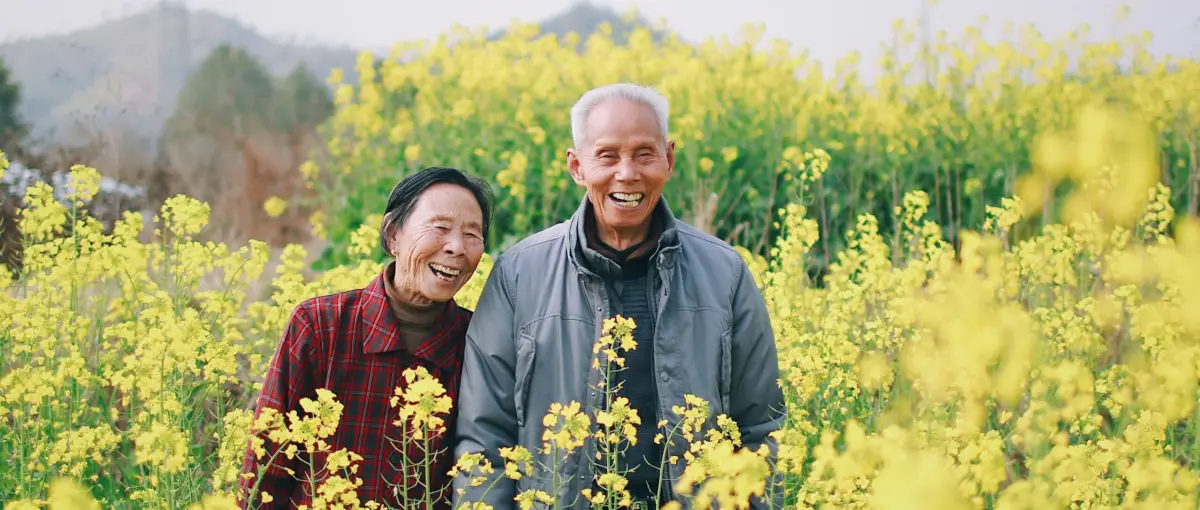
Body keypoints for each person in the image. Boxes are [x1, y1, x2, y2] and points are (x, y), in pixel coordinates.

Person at [452, 83, 785, 509]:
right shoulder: (519, 273)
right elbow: (484, 440)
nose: (627, 173)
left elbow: (760, 428)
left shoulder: (725, 273)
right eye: (607, 155)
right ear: (577, 166)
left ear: (670, 159)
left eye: (645, 154)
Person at [239, 166, 494, 509]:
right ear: (393, 235)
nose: (456, 247)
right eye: (440, 228)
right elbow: (265, 469)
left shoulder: (479, 341)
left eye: (472, 234)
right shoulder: (320, 326)